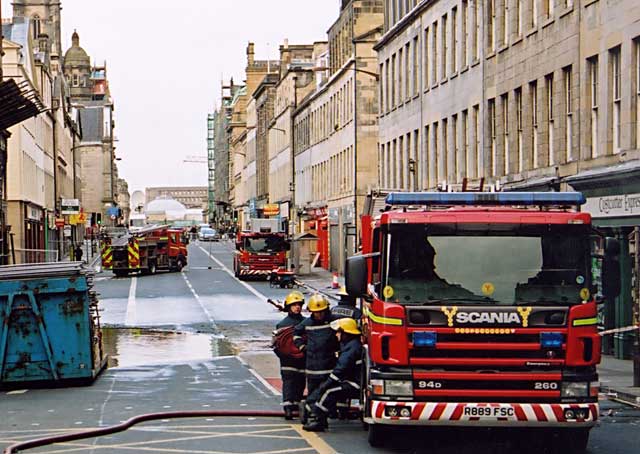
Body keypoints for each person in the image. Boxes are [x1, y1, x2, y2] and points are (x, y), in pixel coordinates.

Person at [303, 318, 363, 432]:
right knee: (328, 390)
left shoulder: (352, 348)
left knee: (329, 391)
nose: (336, 334)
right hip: (352, 381)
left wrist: (327, 383)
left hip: (355, 384)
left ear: (346, 333)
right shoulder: (351, 345)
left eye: (339, 332)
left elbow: (340, 369)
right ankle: (320, 418)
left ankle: (319, 420)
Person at [293, 294, 338, 397]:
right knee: (313, 395)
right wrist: (302, 347)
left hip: (329, 367)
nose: (319, 314)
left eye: (321, 311)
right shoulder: (307, 323)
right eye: (316, 312)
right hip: (312, 368)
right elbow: (296, 333)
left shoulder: (334, 321)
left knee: (328, 396)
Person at [273, 291, 306, 420]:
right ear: (288, 307)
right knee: (289, 383)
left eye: (299, 304)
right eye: (294, 305)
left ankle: (296, 405)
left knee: (300, 383)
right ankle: (288, 408)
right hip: (288, 361)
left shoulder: (306, 323)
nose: (297, 307)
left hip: (302, 359)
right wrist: (283, 355)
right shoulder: (282, 325)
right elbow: (276, 344)